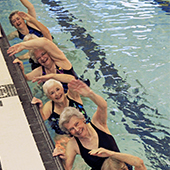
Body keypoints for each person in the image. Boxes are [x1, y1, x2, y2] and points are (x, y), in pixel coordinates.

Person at [54, 79, 132, 170]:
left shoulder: (98, 124)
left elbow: (103, 106)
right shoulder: (73, 144)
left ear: (83, 118)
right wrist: (60, 158)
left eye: (77, 124)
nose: (77, 129)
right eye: (71, 129)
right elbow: (67, 168)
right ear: (68, 132)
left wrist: (90, 94)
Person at [7, 37, 81, 92]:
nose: (42, 58)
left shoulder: (61, 62)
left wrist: (23, 45)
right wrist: (22, 68)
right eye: (39, 58)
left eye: (43, 54)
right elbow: (26, 78)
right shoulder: (40, 71)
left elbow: (45, 42)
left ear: (49, 53)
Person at [7, 0, 53, 69]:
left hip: (50, 44)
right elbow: (5, 39)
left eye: (18, 19)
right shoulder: (15, 34)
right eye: (14, 21)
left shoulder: (31, 24)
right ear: (13, 25)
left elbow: (30, 7)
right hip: (39, 54)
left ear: (23, 18)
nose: (17, 22)